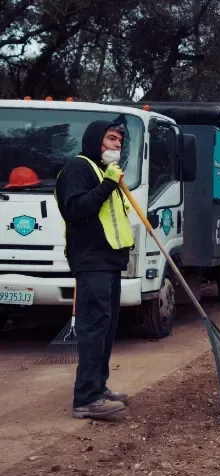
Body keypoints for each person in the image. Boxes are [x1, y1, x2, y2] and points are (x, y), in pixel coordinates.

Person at [55, 121, 135, 420]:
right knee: (93, 328)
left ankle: (98, 388)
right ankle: (86, 399)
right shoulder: (78, 169)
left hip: (109, 263)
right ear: (94, 140)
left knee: (107, 326)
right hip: (91, 262)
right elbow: (75, 209)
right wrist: (107, 185)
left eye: (119, 141)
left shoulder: (104, 171)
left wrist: (109, 181)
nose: (117, 145)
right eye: (111, 138)